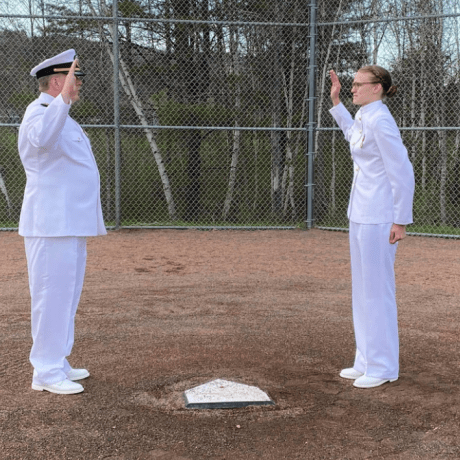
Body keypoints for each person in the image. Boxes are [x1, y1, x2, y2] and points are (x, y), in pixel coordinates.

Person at [18, 49, 106, 394]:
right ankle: (45, 371)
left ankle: (57, 359)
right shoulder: (39, 113)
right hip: (50, 223)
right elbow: (41, 140)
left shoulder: (58, 115)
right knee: (50, 296)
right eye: (75, 78)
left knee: (65, 295)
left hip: (67, 222)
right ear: (58, 81)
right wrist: (63, 102)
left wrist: (63, 107)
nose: (78, 85)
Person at [329, 66, 415, 388]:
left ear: (377, 88)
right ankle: (365, 359)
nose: (352, 88)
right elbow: (353, 135)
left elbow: (403, 171)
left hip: (380, 217)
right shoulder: (365, 116)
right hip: (360, 214)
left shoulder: (381, 120)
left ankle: (382, 366)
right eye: (351, 85)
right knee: (363, 292)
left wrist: (400, 220)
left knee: (378, 293)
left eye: (357, 85)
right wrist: (337, 104)